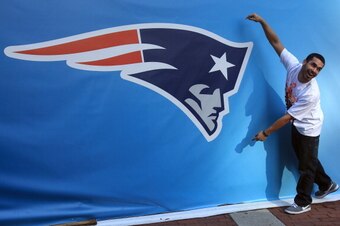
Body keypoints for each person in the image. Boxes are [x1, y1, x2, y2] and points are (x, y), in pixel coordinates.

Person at [246, 13, 339, 215]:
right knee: (306, 159)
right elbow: (276, 42)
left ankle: (303, 201)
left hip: (309, 127)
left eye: (319, 69)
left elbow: (288, 116)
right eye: (313, 65)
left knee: (305, 166)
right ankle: (327, 184)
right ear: (305, 61)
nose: (314, 70)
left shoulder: (311, 93)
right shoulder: (293, 65)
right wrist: (263, 22)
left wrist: (266, 132)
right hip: (297, 124)